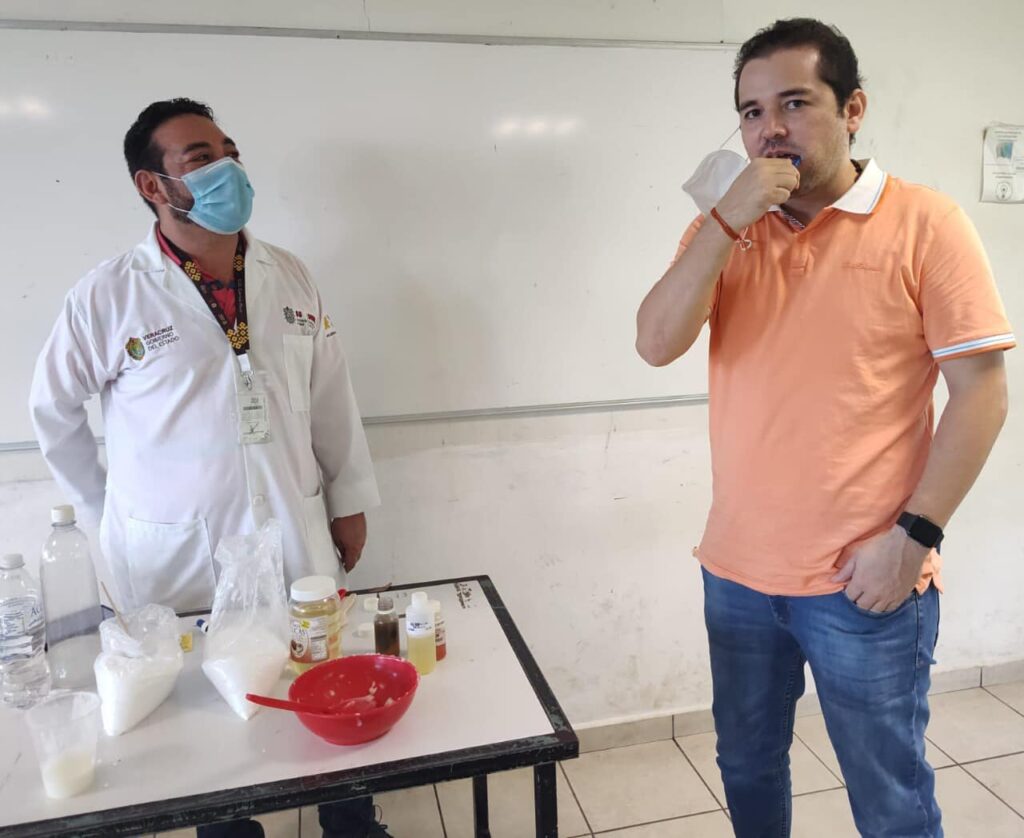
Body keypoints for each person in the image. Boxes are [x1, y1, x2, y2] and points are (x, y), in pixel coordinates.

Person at [636, 19, 1013, 838]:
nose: (769, 128)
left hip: (866, 579)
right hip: (736, 572)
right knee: (746, 766)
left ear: (853, 110)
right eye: (751, 112)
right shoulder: (722, 230)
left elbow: (981, 393)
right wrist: (725, 221)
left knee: (889, 796)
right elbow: (655, 343)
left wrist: (913, 538)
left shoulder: (927, 222)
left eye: (795, 103)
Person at [30, 99, 390, 838]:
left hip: (294, 532)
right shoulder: (108, 294)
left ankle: (352, 826)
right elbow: (52, 411)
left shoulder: (290, 275)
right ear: (152, 186)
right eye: (200, 159)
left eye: (229, 150)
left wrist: (348, 498)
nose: (228, 168)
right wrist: (109, 513)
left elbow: (331, 396)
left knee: (322, 677)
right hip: (175, 557)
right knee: (206, 717)